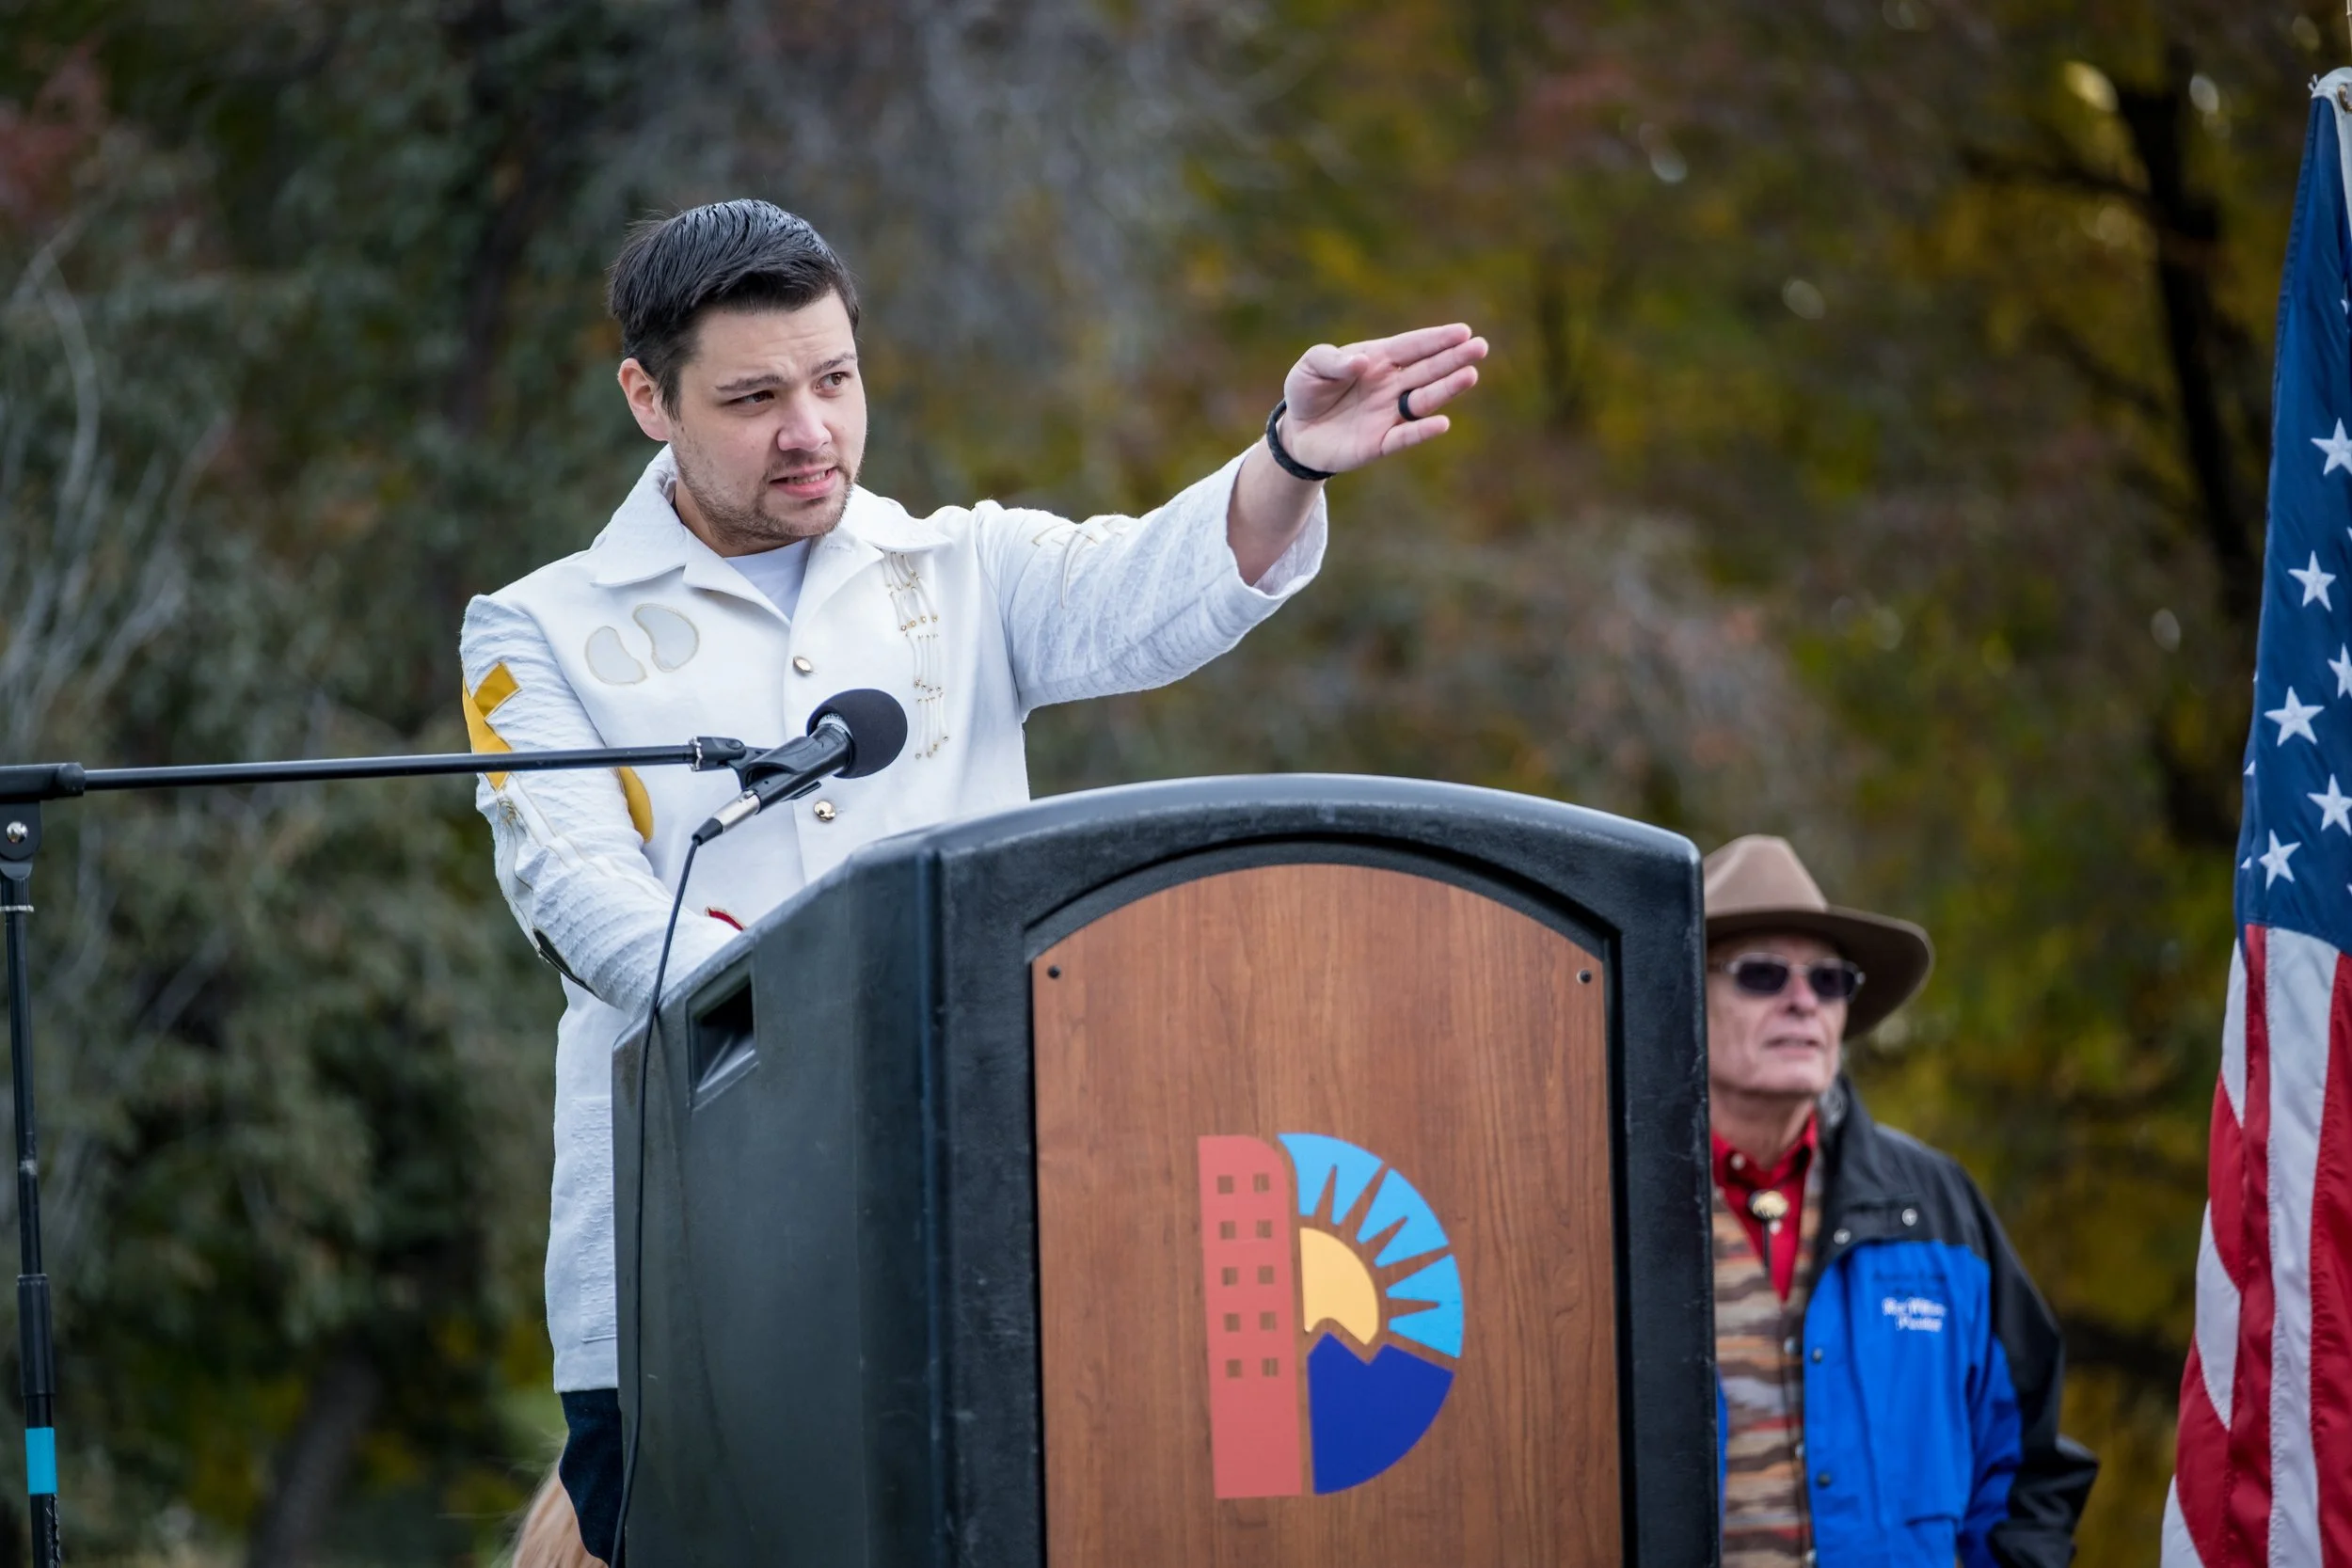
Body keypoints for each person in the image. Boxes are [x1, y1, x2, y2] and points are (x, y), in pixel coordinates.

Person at [457, 198, 1486, 1562]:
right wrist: (818, 1021)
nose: (812, 428)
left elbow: (1150, 589)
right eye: (756, 395)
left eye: (834, 379)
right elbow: (582, 894)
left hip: (972, 1221)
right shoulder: (537, 626)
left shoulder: (961, 566)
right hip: (684, 1261)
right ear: (649, 396)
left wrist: (1290, 457)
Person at [1701, 834, 2097, 1567]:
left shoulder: (1939, 1202)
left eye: (1828, 980)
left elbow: (2029, 1467)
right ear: (1681, 995)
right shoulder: (1607, 1203)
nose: (1802, 1000)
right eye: (1761, 974)